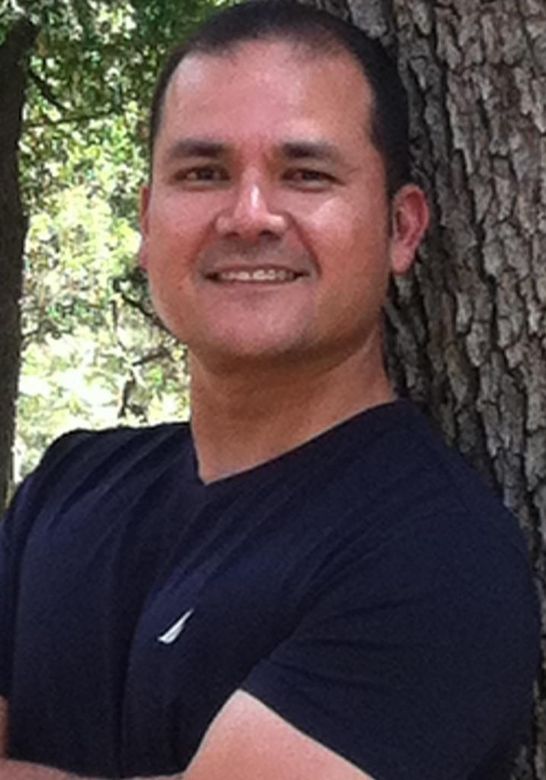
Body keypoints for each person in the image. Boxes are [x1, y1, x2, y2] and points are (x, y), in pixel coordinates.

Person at [0, 2, 540, 778]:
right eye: (203, 173)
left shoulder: (437, 558)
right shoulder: (66, 487)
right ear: (148, 223)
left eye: (305, 174)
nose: (249, 215)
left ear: (402, 229)